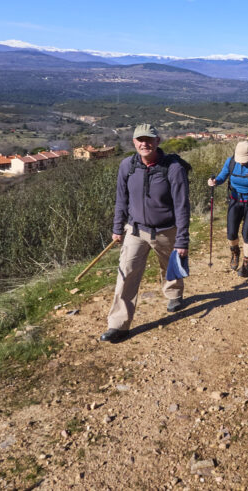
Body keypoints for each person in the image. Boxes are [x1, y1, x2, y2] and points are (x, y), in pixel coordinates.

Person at [100, 124, 191, 343]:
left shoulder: (174, 168)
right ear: (134, 142)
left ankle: (174, 294)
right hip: (135, 229)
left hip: (166, 229)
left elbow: (181, 206)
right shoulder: (127, 166)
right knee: (126, 273)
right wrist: (117, 227)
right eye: (140, 140)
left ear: (158, 141)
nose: (144, 144)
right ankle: (119, 325)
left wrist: (182, 239)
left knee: (170, 266)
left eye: (149, 139)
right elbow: (121, 199)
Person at [208, 140, 248, 278]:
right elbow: (223, 176)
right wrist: (215, 181)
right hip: (235, 200)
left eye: (244, 160)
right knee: (231, 233)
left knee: (247, 233)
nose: (241, 162)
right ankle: (235, 253)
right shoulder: (231, 162)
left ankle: (247, 264)